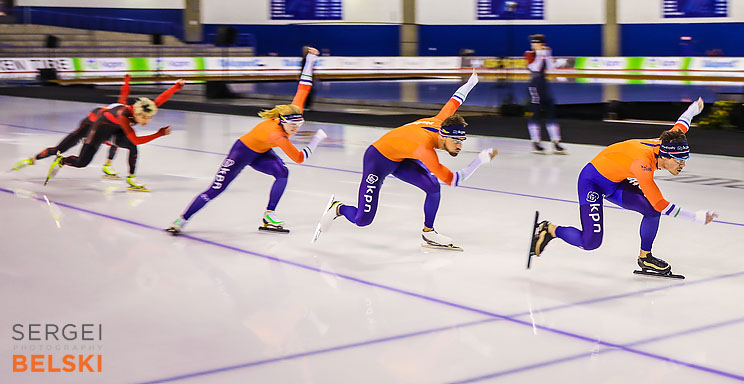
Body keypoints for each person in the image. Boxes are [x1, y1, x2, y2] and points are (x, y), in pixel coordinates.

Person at [529, 97, 717, 276]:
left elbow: (682, 124)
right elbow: (660, 203)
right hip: (592, 182)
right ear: (666, 157)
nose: (683, 164)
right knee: (591, 242)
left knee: (651, 212)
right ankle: (550, 229)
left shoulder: (668, 141)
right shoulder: (642, 165)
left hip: (616, 180)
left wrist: (694, 108)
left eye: (685, 159)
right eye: (680, 160)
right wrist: (696, 217)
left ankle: (645, 257)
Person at [313, 71, 498, 250]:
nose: (459, 145)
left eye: (461, 141)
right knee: (363, 220)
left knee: (433, 187)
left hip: (401, 157)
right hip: (377, 160)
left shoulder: (441, 121)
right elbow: (453, 180)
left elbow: (455, 100)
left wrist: (471, 82)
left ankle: (429, 232)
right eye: (455, 141)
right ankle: (338, 208)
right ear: (443, 137)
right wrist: (479, 160)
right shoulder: (425, 149)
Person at [166, 48, 326, 235]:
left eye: (300, 123)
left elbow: (304, 86)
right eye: (293, 125)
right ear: (282, 122)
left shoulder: (293, 110)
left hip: (262, 151)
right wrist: (316, 139)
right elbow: (299, 158)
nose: (297, 128)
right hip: (241, 152)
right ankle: (181, 220)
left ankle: (269, 216)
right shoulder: (277, 135)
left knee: (283, 173)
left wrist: (310, 60)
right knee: (216, 189)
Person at [42, 77, 185, 191]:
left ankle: (131, 177)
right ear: (137, 114)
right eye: (145, 118)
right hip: (98, 132)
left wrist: (176, 87)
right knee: (82, 163)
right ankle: (62, 161)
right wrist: (159, 134)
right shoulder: (123, 116)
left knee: (132, 147)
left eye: (150, 117)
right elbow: (135, 139)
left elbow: (160, 100)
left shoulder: (141, 109)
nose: (148, 121)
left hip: (113, 130)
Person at [12, 74, 134, 179]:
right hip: (86, 129)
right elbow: (124, 94)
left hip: (97, 132)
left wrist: (127, 82)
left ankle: (107, 164)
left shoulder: (119, 110)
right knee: (59, 150)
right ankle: (33, 160)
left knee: (117, 137)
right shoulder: (112, 113)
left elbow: (124, 93)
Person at [524, 34, 564, 154]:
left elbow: (551, 68)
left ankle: (556, 141)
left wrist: (548, 55)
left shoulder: (544, 53)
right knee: (535, 113)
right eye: (534, 43)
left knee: (551, 111)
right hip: (534, 85)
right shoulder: (529, 54)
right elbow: (535, 68)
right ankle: (535, 141)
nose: (534, 45)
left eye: (537, 43)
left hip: (544, 84)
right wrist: (541, 55)